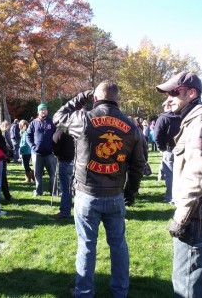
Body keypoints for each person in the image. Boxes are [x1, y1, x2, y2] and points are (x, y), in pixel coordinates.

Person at [53, 80, 145, 298]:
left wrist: (79, 97)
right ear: (117, 99)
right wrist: (130, 193)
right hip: (114, 195)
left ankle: (84, 291)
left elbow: (58, 116)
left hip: (87, 194)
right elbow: (138, 165)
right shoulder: (131, 127)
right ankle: (120, 291)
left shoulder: (84, 118)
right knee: (118, 246)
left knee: (86, 246)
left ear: (95, 98)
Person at [156, 71, 202, 298]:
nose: (168, 99)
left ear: (192, 93)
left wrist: (181, 219)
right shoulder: (192, 119)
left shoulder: (198, 123)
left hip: (194, 217)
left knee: (186, 284)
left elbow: (198, 176)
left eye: (174, 93)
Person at [26, 103, 57, 197]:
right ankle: (39, 191)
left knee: (53, 174)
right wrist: (32, 146)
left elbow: (57, 135)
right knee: (37, 174)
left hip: (50, 153)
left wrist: (54, 147)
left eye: (44, 109)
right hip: (37, 153)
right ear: (38, 111)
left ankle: (53, 192)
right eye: (41, 109)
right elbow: (28, 136)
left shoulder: (52, 122)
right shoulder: (33, 123)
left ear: (47, 111)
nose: (43, 111)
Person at [154, 99, 181, 203]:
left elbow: (157, 136)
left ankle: (171, 197)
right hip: (182, 149)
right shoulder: (185, 115)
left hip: (169, 150)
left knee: (170, 176)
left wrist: (162, 148)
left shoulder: (163, 118)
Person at [51, 129, 75, 219]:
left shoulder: (62, 129)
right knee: (77, 189)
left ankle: (65, 211)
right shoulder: (79, 126)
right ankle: (80, 212)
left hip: (66, 161)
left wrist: (56, 153)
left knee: (66, 188)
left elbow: (55, 141)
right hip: (78, 162)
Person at [0, 120, 16, 202]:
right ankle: (7, 195)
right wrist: (12, 147)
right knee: (3, 176)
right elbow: (8, 141)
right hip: (3, 153)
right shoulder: (5, 131)